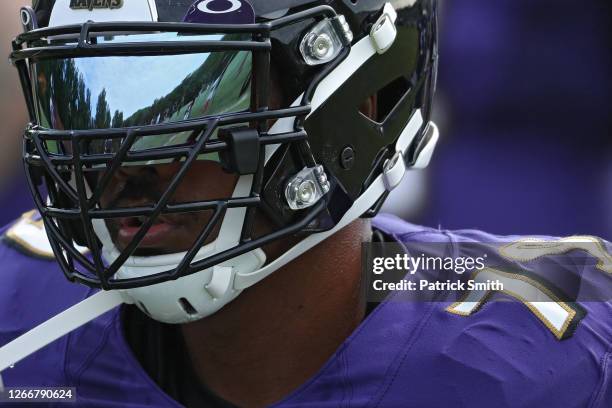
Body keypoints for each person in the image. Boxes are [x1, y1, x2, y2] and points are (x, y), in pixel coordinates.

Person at [0, 0, 609, 407]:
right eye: (84, 100)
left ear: (354, 112)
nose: (122, 167)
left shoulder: (551, 357)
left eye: (184, 107)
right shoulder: (21, 318)